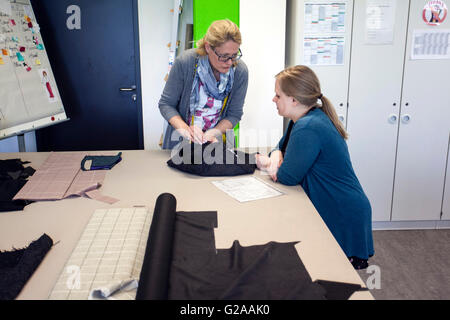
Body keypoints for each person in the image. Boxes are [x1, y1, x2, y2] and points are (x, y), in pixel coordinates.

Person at [256, 65, 374, 269]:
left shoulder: (308, 127)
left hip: (342, 212)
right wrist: (275, 156)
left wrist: (269, 163)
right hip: (338, 205)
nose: (273, 100)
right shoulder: (304, 118)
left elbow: (287, 177)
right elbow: (280, 147)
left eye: (278, 95)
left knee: (331, 279)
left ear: (294, 100)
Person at [159, 19, 248, 149]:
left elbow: (234, 114)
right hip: (181, 143)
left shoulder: (240, 71)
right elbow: (166, 104)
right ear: (208, 47)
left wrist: (213, 133)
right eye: (224, 56)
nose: (230, 62)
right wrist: (185, 129)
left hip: (218, 144)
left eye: (234, 55)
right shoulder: (185, 63)